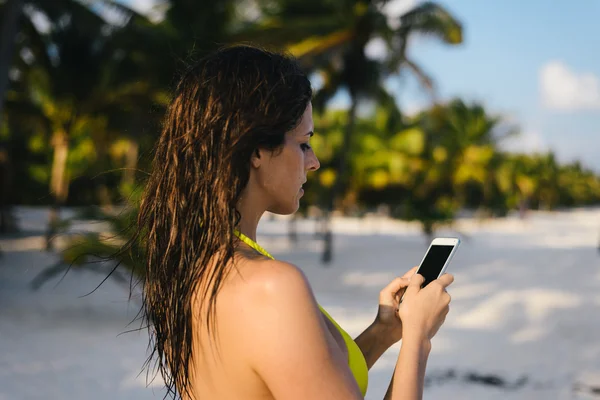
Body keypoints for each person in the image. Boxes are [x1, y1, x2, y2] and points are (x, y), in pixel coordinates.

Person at [135, 44, 454, 400]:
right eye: (303, 144)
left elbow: (302, 380)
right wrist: (417, 339)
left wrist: (384, 331)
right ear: (256, 150)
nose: (314, 162)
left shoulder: (198, 264)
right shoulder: (271, 287)